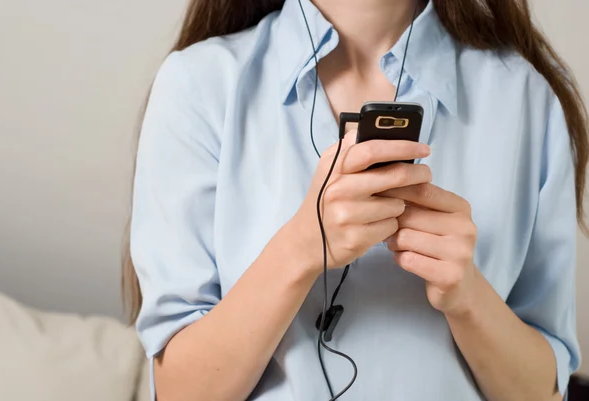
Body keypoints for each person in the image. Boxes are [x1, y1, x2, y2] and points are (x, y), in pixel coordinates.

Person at [123, 0, 588, 400]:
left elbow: (545, 389)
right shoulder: (198, 86)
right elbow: (180, 390)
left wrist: (468, 297)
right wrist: (302, 248)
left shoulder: (525, 99)